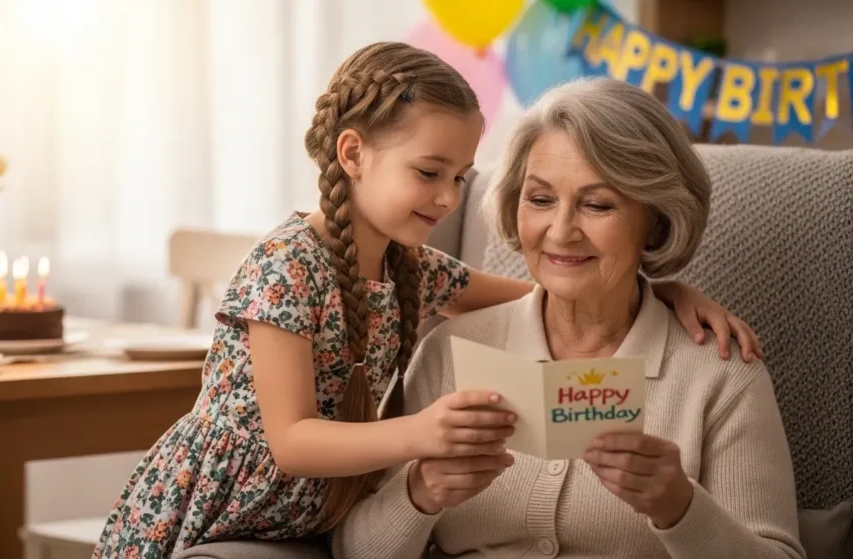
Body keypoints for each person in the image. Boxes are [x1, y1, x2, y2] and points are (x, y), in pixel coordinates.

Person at [92, 45, 763, 558]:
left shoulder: (412, 269)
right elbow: (300, 451)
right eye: (428, 173)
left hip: (298, 510)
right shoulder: (300, 274)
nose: (447, 199)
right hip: (223, 506)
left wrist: (662, 288)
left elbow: (560, 284)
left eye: (598, 204)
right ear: (352, 152)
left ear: (653, 220)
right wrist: (421, 466)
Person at [331, 77, 804, 559]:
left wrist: (682, 509)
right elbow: (352, 549)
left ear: (657, 221)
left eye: (597, 205)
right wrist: (418, 493)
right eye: (539, 200)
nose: (560, 231)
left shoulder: (721, 374)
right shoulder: (449, 352)